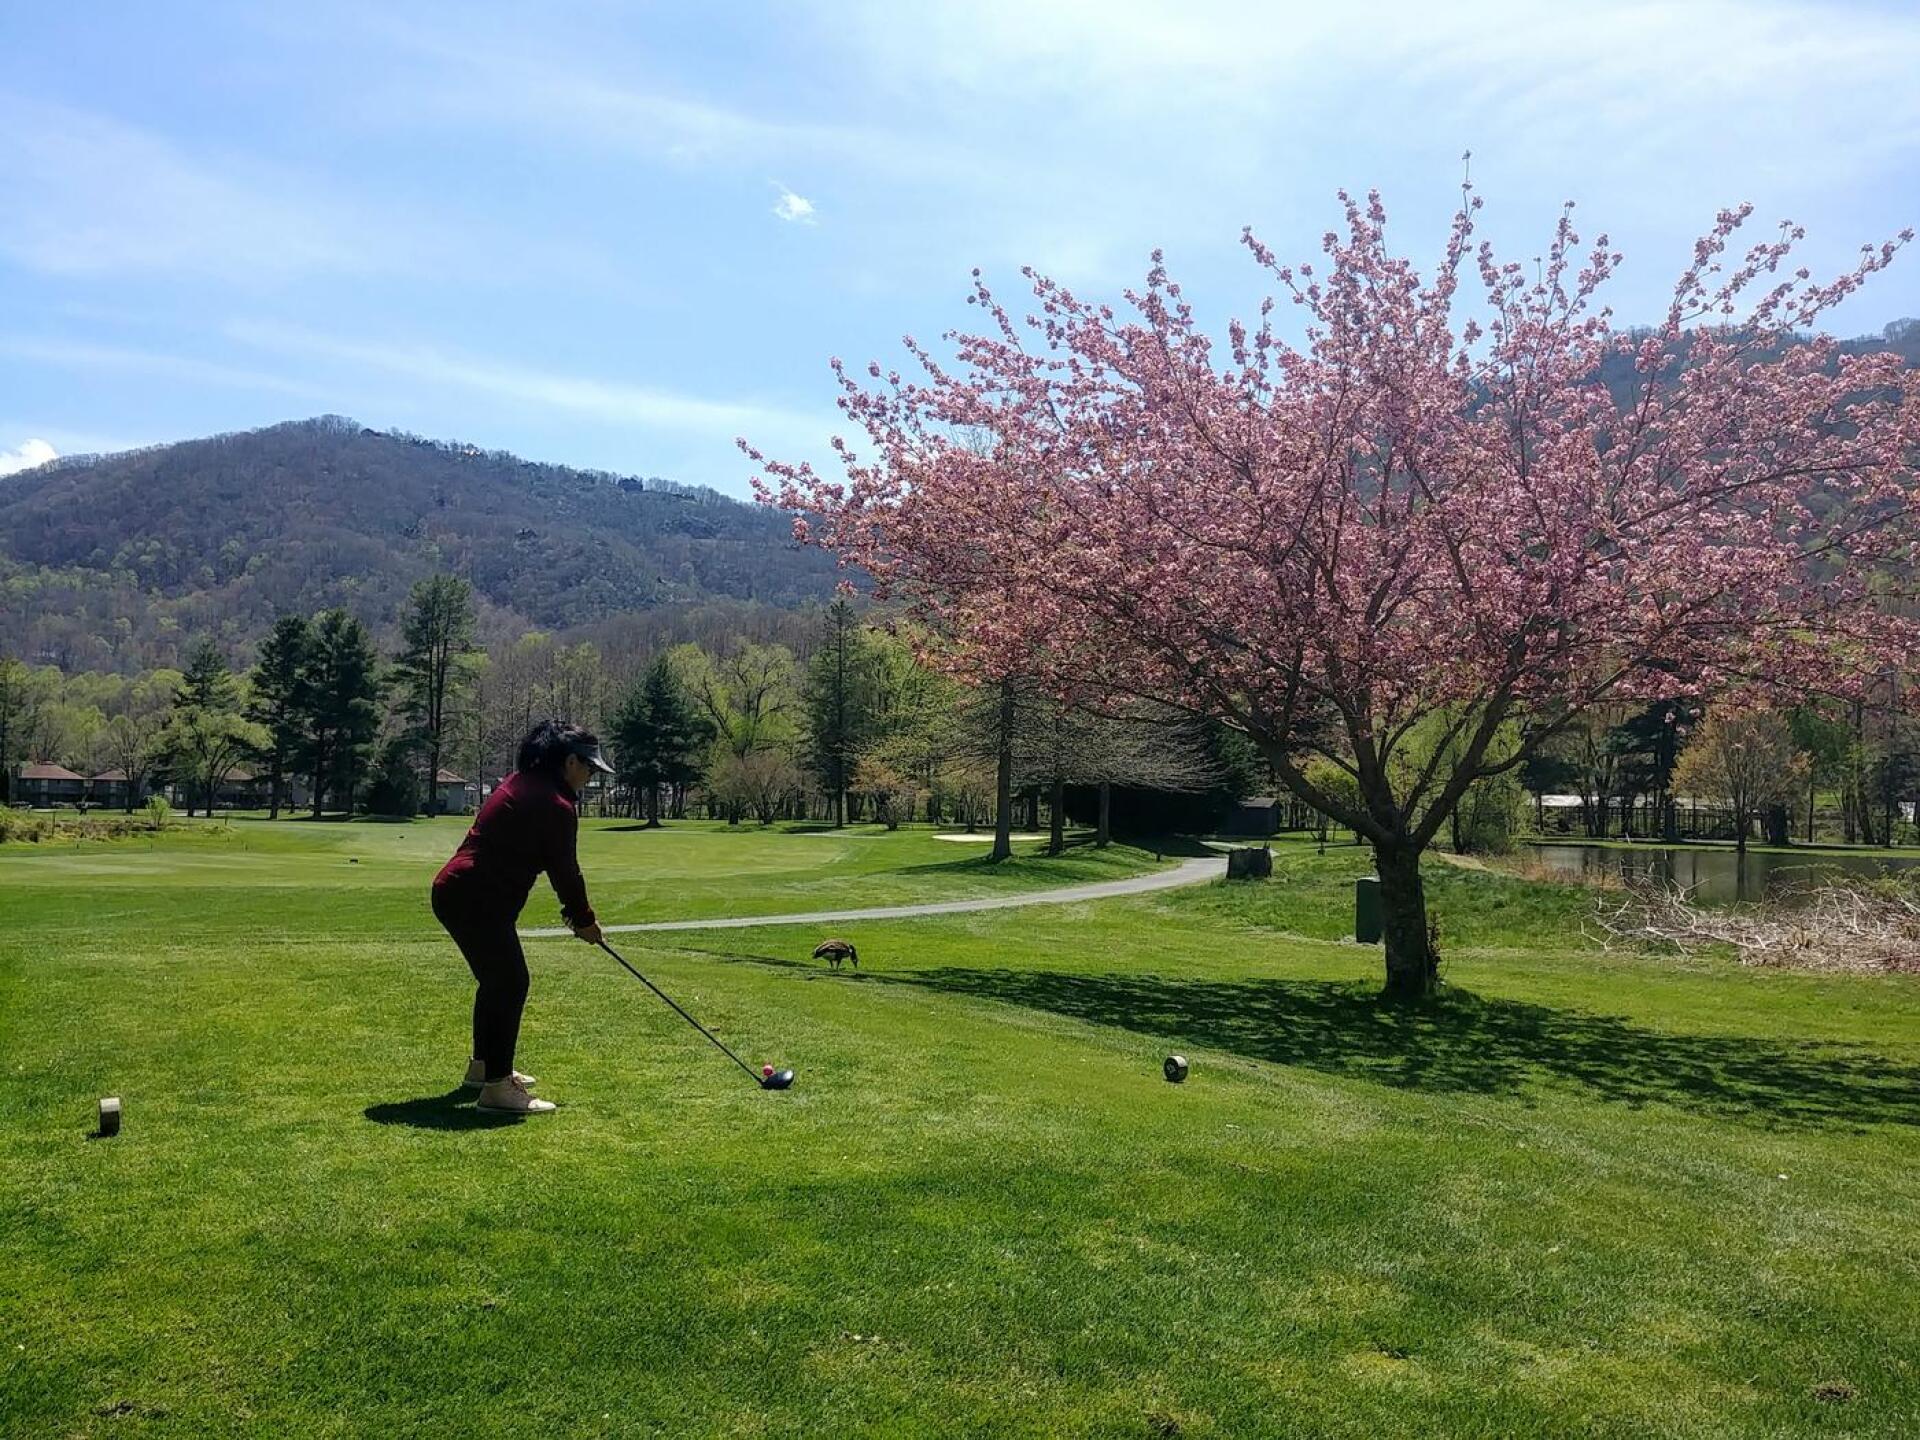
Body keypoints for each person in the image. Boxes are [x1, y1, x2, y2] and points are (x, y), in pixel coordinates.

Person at [432, 719, 613, 1114]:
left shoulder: (524, 782)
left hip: (459, 891)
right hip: (477, 897)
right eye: (589, 768)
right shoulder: (555, 804)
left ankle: (485, 1069)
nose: (590, 777)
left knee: (497, 981)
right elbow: (565, 870)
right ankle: (497, 1088)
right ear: (569, 762)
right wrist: (584, 919)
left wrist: (580, 916)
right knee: (510, 982)